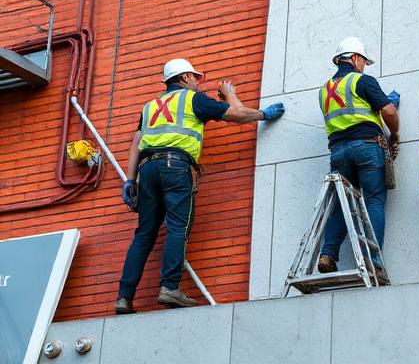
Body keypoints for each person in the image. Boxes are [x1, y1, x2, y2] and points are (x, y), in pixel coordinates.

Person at [115, 58, 284, 314]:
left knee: (144, 235)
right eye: (195, 77)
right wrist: (239, 100)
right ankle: (170, 287)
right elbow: (237, 114)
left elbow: (136, 141)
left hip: (146, 170)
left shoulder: (150, 107)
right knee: (177, 226)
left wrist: (130, 179)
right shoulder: (192, 99)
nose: (197, 82)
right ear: (184, 78)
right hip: (175, 166)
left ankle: (124, 298)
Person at [316, 37, 400, 276]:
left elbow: (347, 112)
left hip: (338, 153)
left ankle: (328, 254)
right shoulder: (362, 81)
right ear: (354, 58)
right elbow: (389, 111)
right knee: (373, 200)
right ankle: (373, 260)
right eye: (363, 60)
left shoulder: (324, 91)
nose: (364, 65)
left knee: (343, 204)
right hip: (366, 147)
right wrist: (394, 133)